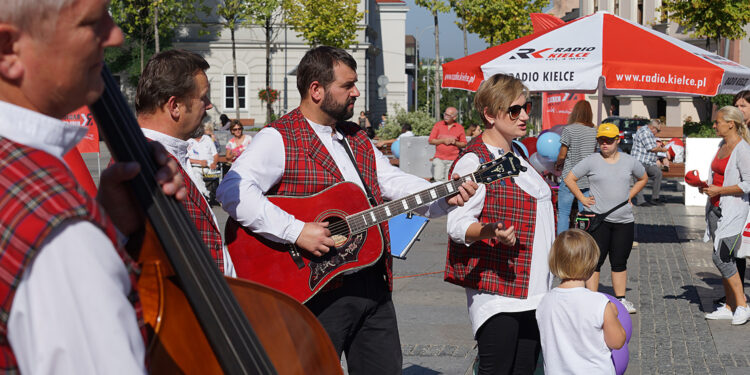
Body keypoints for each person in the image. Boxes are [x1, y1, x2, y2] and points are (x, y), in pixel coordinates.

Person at [216, 46, 477, 374]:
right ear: (316, 90)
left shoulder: (357, 138)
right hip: (315, 289)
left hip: (373, 282)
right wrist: (296, 230)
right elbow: (232, 190)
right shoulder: (278, 138)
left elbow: (393, 183)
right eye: (348, 85)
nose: (356, 92)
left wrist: (445, 195)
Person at [0, 0, 186, 372]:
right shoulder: (63, 239)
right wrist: (84, 235)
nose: (115, 35)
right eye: (91, 22)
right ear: (9, 51)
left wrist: (111, 228)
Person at [445, 73, 554, 375]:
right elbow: (456, 225)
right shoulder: (475, 161)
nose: (524, 116)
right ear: (490, 114)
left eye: (527, 107)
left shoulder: (517, 153)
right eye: (514, 110)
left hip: (534, 290)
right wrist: (490, 231)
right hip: (499, 294)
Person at [135, 49, 235, 276]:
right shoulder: (145, 164)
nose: (209, 105)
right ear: (175, 106)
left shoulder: (167, 153)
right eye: (203, 97)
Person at [564, 123, 648, 314]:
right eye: (601, 140)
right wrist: (582, 198)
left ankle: (621, 299)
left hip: (624, 220)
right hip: (598, 220)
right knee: (595, 260)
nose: (604, 144)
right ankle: (592, 299)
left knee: (620, 260)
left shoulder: (629, 161)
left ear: (617, 140)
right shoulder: (592, 160)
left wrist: (630, 195)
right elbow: (569, 178)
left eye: (609, 141)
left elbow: (643, 178)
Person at [536, 229, 626, 374]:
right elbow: (617, 341)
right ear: (591, 264)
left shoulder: (545, 302)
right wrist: (613, 315)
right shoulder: (599, 303)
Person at [700, 106, 750, 325]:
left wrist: (720, 190)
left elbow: (748, 183)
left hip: (734, 210)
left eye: (717, 121)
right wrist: (706, 186)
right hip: (715, 207)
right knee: (722, 258)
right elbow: (719, 175)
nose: (714, 125)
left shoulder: (743, 149)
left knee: (721, 256)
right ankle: (729, 306)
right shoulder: (722, 145)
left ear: (731, 123)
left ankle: (742, 304)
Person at [554, 100, 597, 234]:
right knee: (584, 214)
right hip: (586, 179)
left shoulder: (569, 129)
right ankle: (584, 241)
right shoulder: (594, 131)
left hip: (569, 177)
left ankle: (562, 242)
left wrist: (557, 164)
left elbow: (562, 154)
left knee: (564, 214)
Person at [631, 118, 669, 206]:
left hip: (649, 162)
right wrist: (664, 150)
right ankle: (641, 201)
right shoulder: (645, 133)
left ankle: (655, 198)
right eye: (658, 130)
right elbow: (651, 148)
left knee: (658, 173)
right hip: (639, 162)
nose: (658, 132)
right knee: (640, 178)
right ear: (652, 128)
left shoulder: (649, 133)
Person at [429, 106, 467, 181]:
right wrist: (443, 141)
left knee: (448, 181)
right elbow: (431, 140)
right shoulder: (438, 125)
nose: (445, 116)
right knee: (437, 178)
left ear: (455, 117)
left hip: (452, 159)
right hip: (439, 158)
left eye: (448, 115)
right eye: (445, 114)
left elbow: (464, 144)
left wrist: (455, 142)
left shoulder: (460, 128)